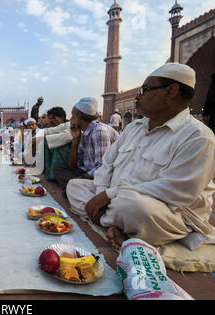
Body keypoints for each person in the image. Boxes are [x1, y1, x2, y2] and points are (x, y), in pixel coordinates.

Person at [66, 63, 215, 250]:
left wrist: (110, 195)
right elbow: (106, 166)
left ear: (171, 91)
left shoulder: (197, 136)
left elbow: (177, 192)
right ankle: (116, 226)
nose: (138, 96)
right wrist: (99, 196)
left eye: (145, 90)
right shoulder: (134, 128)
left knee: (136, 208)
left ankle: (110, 221)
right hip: (114, 199)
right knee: (74, 186)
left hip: (166, 211)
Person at [53, 98, 118, 198]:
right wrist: (75, 141)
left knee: (72, 184)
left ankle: (75, 191)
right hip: (88, 173)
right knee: (58, 167)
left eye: (72, 115)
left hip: (104, 178)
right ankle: (74, 190)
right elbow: (73, 165)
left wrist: (77, 180)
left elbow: (102, 169)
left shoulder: (100, 132)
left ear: (79, 115)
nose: (70, 119)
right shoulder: (84, 133)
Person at [41, 107, 73, 180]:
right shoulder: (59, 127)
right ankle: (48, 172)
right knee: (45, 142)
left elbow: (66, 136)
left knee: (59, 145)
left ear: (61, 118)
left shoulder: (69, 125)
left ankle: (54, 175)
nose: (51, 121)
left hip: (72, 158)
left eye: (54, 118)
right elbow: (49, 131)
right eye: (50, 118)